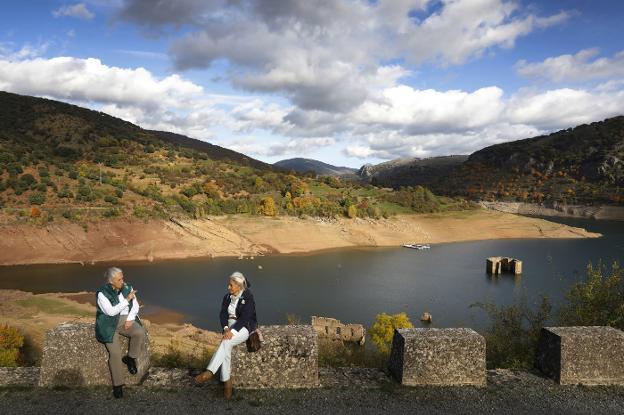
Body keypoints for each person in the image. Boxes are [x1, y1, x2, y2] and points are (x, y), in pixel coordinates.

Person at [195, 271, 257, 399]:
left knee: (226, 341)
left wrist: (232, 332)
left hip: (244, 327)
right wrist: (225, 328)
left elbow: (246, 318)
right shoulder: (227, 297)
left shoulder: (248, 297)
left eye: (231, 285)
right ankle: (227, 384)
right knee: (226, 346)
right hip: (229, 326)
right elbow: (223, 314)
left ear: (239, 286)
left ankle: (210, 372)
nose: (228, 287)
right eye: (228, 285)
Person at [95, 267, 146, 399]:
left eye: (122, 277)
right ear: (111, 281)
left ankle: (130, 358)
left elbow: (135, 305)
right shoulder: (102, 294)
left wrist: (130, 319)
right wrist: (126, 300)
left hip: (124, 320)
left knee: (139, 332)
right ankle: (117, 385)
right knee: (115, 353)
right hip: (108, 324)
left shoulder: (128, 287)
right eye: (119, 279)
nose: (122, 281)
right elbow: (111, 312)